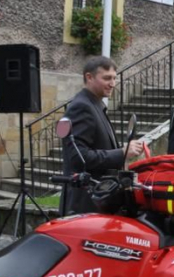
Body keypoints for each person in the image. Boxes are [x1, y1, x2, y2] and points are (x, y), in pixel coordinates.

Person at [61, 56, 144, 215]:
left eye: (114, 78)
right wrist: (121, 152)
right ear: (89, 77)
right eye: (106, 78)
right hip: (85, 204)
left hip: (98, 200)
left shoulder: (95, 105)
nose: (112, 83)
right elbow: (79, 157)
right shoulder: (82, 107)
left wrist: (123, 152)